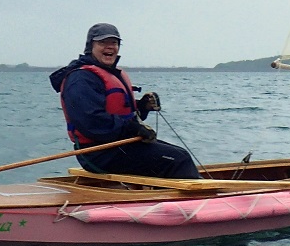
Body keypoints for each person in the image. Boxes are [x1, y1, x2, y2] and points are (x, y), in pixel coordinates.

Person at [49, 23, 200, 179]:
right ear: (90, 46)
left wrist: (143, 106)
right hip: (98, 153)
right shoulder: (80, 79)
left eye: (114, 42)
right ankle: (194, 193)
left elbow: (121, 114)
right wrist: (133, 128)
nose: (110, 47)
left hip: (120, 145)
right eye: (103, 42)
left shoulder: (109, 73)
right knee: (177, 160)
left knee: (181, 154)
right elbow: (92, 123)